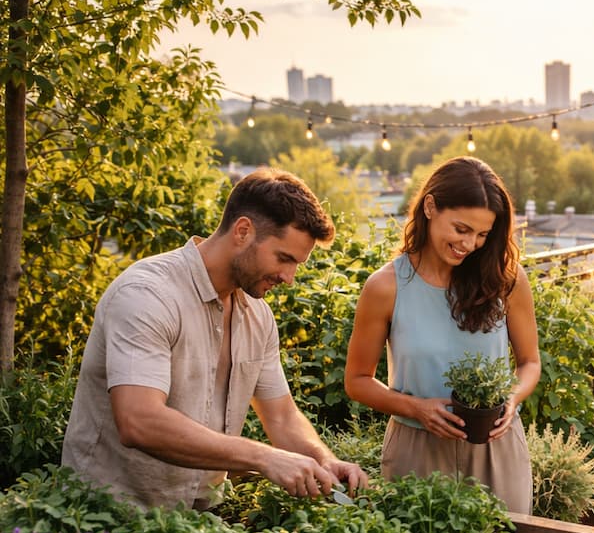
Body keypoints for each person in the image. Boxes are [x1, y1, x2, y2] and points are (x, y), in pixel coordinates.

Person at [62, 167, 369, 509]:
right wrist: (263, 457)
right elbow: (138, 421)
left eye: (296, 264)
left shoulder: (257, 315)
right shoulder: (147, 294)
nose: (289, 277)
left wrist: (322, 458)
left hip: (201, 520)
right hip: (105, 519)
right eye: (284, 258)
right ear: (242, 231)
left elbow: (281, 415)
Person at [344, 156, 540, 512]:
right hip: (415, 450)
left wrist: (511, 398)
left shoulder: (506, 280)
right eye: (462, 229)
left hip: (495, 448)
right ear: (431, 207)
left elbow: (529, 363)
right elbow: (357, 380)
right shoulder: (385, 287)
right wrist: (416, 408)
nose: (470, 244)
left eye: (483, 235)